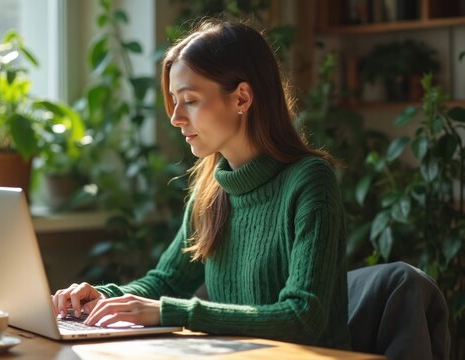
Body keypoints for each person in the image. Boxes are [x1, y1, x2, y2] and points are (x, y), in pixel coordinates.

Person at [52, 19, 351, 350]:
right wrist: (103, 297)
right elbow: (167, 281)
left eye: (190, 100)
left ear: (241, 98)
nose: (176, 117)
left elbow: (302, 317)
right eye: (174, 100)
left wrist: (173, 313)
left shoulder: (309, 181)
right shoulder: (212, 189)